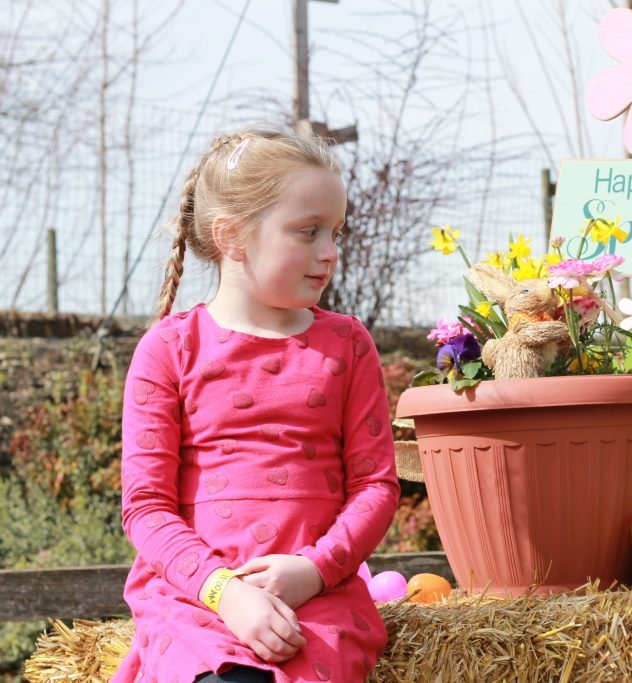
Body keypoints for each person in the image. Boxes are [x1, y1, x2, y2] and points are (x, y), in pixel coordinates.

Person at [112, 129, 400, 683]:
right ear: (233, 236)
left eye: (335, 232)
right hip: (195, 596)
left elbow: (375, 486)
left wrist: (315, 570)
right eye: (308, 231)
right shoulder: (169, 349)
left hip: (319, 595)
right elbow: (146, 507)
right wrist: (226, 594)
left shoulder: (348, 345)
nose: (330, 251)